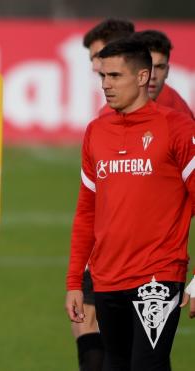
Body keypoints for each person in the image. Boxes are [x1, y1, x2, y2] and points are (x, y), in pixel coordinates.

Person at [65, 38, 195, 370]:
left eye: (115, 76)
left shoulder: (177, 128)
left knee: (146, 365)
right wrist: (74, 282)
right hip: (107, 278)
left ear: (141, 77)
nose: (106, 84)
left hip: (157, 277)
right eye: (102, 76)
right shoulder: (96, 131)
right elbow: (86, 211)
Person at [75, 18, 135, 371]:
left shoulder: (167, 115)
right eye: (94, 59)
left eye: (101, 56)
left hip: (132, 254)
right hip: (103, 245)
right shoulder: (103, 119)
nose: (96, 66)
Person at [129, 30, 194, 119]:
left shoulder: (177, 107)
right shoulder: (110, 115)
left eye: (160, 67)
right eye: (145, 66)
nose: (152, 76)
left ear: (167, 71)